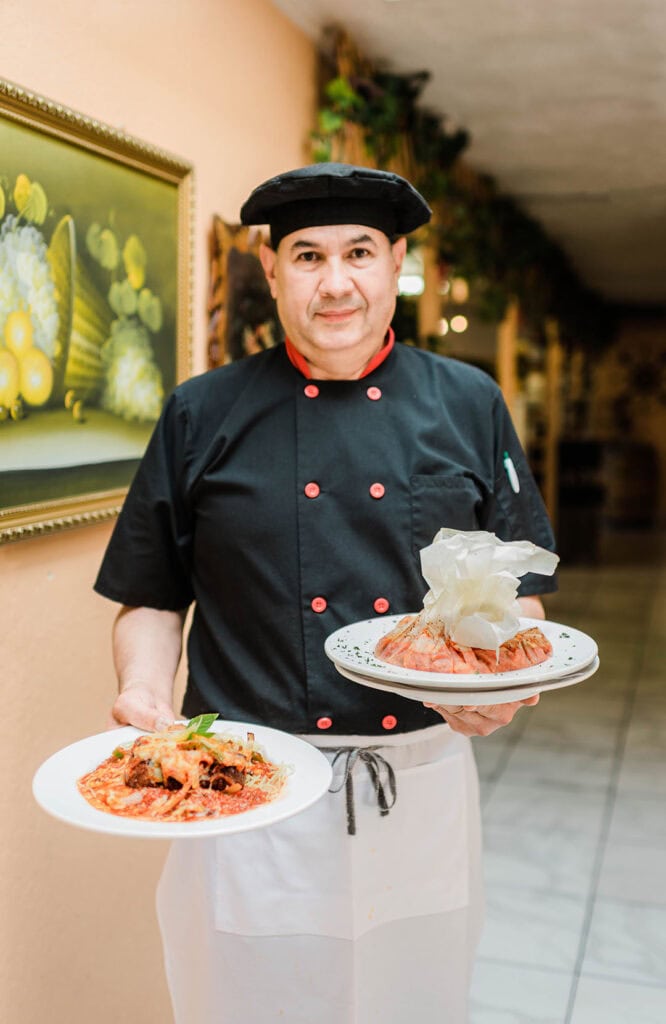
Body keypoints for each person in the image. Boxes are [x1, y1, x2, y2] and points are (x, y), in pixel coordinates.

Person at [95, 163, 557, 1024]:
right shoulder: (201, 413)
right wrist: (143, 692)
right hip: (249, 786)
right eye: (307, 256)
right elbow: (152, 594)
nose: (336, 282)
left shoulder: (469, 402)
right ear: (272, 272)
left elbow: (522, 595)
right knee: (246, 1002)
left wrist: (501, 685)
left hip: (417, 782)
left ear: (396, 266)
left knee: (412, 1000)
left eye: (360, 252)